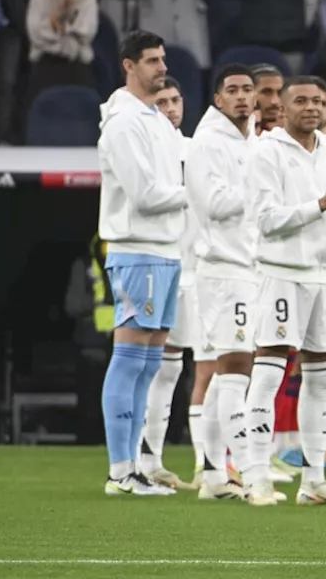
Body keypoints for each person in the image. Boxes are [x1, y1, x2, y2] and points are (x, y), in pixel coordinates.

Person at [242, 75, 326, 507]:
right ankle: (258, 476)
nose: (311, 107)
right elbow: (265, 219)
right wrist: (323, 201)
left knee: (323, 375)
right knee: (269, 370)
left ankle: (313, 480)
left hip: (325, 274)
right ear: (283, 106)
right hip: (281, 271)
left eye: (319, 101)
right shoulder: (266, 152)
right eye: (300, 100)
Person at [96, 29, 187, 496]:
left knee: (149, 365)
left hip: (166, 251)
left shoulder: (156, 121)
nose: (160, 66)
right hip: (138, 250)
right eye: (150, 60)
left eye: (162, 58)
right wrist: (200, 196)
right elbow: (146, 196)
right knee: (129, 360)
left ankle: (132, 466)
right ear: (128, 66)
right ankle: (119, 471)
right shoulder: (124, 123)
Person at [184, 63, 271, 501]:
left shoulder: (252, 140)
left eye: (247, 89)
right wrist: (262, 191)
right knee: (235, 370)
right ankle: (253, 473)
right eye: (232, 90)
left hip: (249, 267)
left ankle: (216, 474)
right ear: (218, 99)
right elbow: (215, 204)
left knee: (227, 375)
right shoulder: (206, 144)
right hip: (222, 270)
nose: (241, 96)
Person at [135, 76, 195, 491]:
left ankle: (212, 463)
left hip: (200, 269)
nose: (171, 108)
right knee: (156, 369)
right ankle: (144, 458)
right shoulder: (144, 153)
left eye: (175, 100)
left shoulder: (196, 150)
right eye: (161, 102)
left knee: (182, 370)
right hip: (159, 265)